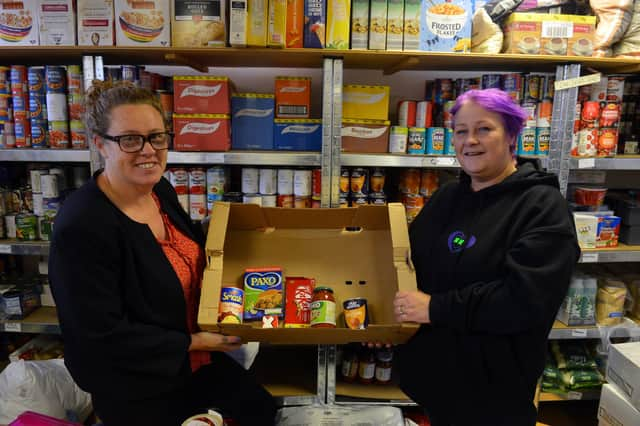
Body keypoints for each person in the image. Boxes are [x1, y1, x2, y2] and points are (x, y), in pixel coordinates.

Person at [48, 80, 277, 426]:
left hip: (194, 363)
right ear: (100, 145)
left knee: (259, 410)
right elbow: (101, 337)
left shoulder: (158, 191)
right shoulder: (82, 227)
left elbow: (179, 253)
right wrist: (196, 340)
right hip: (136, 385)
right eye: (130, 139)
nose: (148, 150)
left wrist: (217, 229)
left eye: (156, 136)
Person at [393, 88, 580, 426]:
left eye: (484, 129)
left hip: (494, 395)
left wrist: (434, 308)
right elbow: (408, 263)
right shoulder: (448, 196)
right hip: (435, 385)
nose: (470, 141)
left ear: (511, 135)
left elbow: (523, 300)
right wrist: (387, 313)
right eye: (461, 131)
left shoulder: (541, 207)